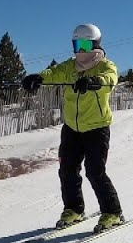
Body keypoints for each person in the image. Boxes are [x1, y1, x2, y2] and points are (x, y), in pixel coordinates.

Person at [21, 24, 124, 231]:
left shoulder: (105, 66)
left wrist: (94, 81)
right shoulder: (69, 66)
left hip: (96, 128)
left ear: (96, 44)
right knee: (67, 170)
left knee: (95, 171)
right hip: (72, 129)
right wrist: (39, 78)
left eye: (86, 45)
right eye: (78, 45)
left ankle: (112, 212)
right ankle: (74, 210)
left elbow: (109, 80)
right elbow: (53, 72)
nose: (82, 51)